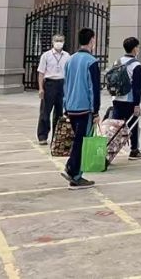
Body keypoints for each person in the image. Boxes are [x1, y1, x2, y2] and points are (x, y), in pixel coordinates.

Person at [61, 28, 102, 189]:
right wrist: (96, 111)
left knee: (78, 141)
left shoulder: (70, 60)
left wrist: (65, 105)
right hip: (85, 108)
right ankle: (74, 173)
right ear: (92, 40)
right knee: (82, 142)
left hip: (71, 107)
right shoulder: (91, 62)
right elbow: (94, 89)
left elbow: (66, 85)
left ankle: (73, 170)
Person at [113, 37, 141, 159]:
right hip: (129, 100)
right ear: (134, 49)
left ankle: (109, 148)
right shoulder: (136, 65)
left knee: (115, 126)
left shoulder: (117, 61)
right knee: (133, 125)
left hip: (117, 98)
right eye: (137, 47)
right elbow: (137, 87)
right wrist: (137, 104)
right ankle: (134, 150)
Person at [37, 34, 68, 145]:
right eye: (56, 40)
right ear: (53, 42)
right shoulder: (46, 56)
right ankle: (42, 135)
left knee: (59, 113)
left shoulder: (67, 56)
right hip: (50, 83)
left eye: (61, 40)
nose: (59, 42)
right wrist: (41, 88)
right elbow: (41, 73)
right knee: (45, 111)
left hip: (62, 84)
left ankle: (57, 136)